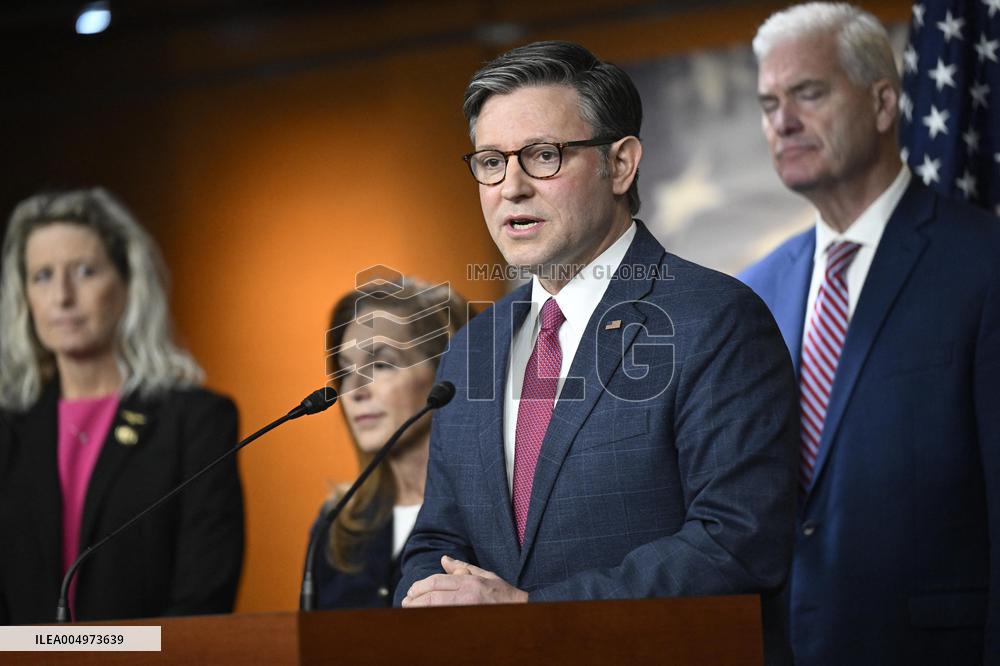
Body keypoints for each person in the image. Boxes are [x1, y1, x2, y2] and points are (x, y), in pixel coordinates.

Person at [396, 39, 798, 628]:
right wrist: (431, 596)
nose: (511, 187)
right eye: (490, 162)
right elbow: (437, 536)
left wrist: (535, 613)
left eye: (542, 156)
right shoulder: (473, 347)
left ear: (621, 163)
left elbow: (736, 540)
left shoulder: (714, 319)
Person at [740, 4, 1000, 664]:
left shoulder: (983, 263)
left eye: (808, 93)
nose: (783, 122)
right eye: (769, 103)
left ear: (884, 103)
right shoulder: (753, 292)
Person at [0, 187, 244, 624]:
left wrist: (104, 652)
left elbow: (203, 598)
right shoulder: (8, 428)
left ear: (128, 283)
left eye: (85, 271)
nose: (62, 297)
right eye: (42, 276)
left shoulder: (195, 422)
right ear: (24, 297)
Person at [305, 278, 469, 608]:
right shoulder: (337, 522)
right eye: (345, 371)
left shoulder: (490, 515)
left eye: (380, 364)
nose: (355, 390)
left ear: (446, 374)